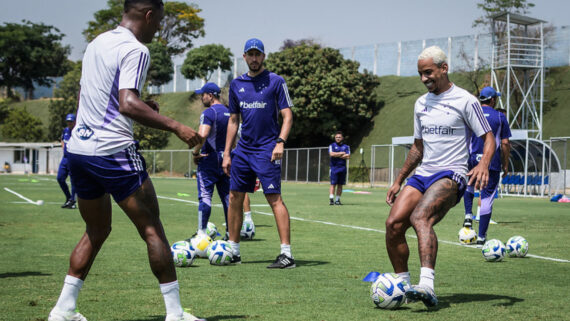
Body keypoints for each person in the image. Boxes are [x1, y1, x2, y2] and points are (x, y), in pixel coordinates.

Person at [48, 1, 205, 321]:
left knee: (97, 228)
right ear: (148, 16)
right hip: (113, 153)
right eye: (158, 22)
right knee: (152, 229)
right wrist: (178, 126)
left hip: (80, 149)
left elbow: (89, 94)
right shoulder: (136, 50)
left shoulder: (96, 43)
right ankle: (175, 314)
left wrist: (140, 105)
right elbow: (127, 103)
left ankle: (63, 309)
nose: (158, 28)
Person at [385, 46, 495, 308]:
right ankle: (403, 284)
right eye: (421, 74)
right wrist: (399, 179)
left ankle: (427, 286)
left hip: (452, 173)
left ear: (444, 68)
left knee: (420, 217)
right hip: (423, 174)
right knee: (394, 225)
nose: (424, 78)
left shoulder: (466, 100)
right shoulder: (420, 103)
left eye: (428, 72)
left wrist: (484, 165)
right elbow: (417, 147)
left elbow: (488, 137)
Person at [222, 38, 295, 269]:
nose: (254, 58)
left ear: (263, 56)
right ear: (244, 57)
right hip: (243, 150)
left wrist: (280, 142)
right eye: (250, 54)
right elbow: (233, 121)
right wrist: (227, 153)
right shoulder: (236, 84)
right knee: (235, 197)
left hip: (267, 148)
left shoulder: (276, 81)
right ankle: (233, 250)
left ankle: (287, 255)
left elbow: (287, 115)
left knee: (274, 198)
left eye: (258, 54)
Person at [463, 86, 511, 245]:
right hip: (491, 162)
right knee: (487, 197)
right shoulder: (499, 116)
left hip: (471, 159)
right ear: (492, 100)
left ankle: (468, 215)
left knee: (469, 186)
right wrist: (505, 164)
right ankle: (482, 236)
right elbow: (505, 143)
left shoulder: (472, 114)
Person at [191, 82, 230, 239]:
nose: (202, 97)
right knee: (228, 197)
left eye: (203, 94)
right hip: (227, 158)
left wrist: (195, 153)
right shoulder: (229, 112)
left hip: (209, 159)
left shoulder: (209, 113)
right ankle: (230, 235)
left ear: (210, 96)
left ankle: (201, 234)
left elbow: (202, 135)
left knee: (205, 196)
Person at [57, 113, 77, 209]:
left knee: (73, 181)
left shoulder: (78, 131)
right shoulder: (65, 130)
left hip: (74, 159)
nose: (69, 123)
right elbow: (62, 139)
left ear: (75, 122)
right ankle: (69, 198)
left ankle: (72, 201)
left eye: (71, 121)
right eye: (68, 121)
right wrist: (63, 147)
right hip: (65, 159)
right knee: (60, 178)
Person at [328, 131, 350, 205]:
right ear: (335, 138)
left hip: (342, 168)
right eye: (336, 137)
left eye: (339, 137)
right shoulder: (332, 145)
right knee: (333, 184)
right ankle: (331, 199)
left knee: (340, 185)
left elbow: (348, 156)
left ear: (342, 138)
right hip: (334, 168)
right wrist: (341, 153)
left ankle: (337, 200)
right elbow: (331, 154)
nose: (338, 138)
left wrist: (336, 154)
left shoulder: (346, 147)